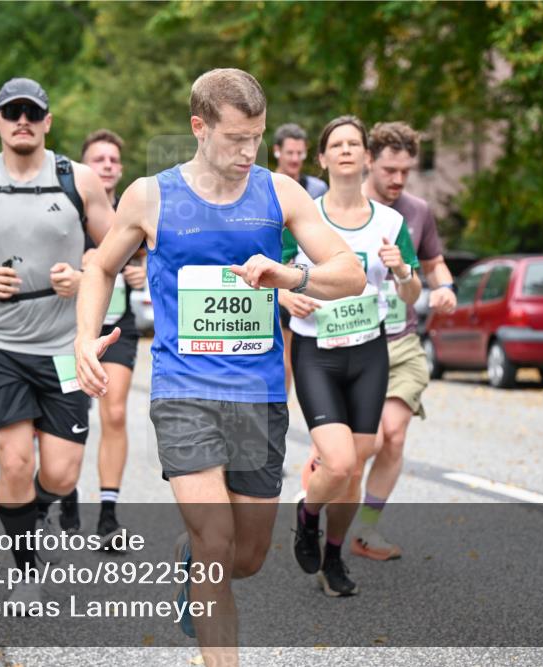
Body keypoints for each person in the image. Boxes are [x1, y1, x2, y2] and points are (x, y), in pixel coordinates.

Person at [74, 69, 364, 666]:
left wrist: (290, 275)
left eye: (256, 137)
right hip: (182, 390)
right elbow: (101, 266)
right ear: (199, 127)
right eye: (235, 138)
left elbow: (350, 273)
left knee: (247, 557)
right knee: (216, 542)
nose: (248, 151)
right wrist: (83, 337)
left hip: (258, 393)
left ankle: (191, 559)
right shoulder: (150, 196)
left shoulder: (280, 193)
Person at [0, 77, 113, 607]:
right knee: (13, 464)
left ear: (48, 121)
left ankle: (41, 505)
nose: (22, 121)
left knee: (61, 472)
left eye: (32, 112)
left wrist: (85, 277)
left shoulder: (77, 180)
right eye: (13, 112)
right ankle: (27, 567)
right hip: (2, 343)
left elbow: (121, 247)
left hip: (66, 345)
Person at [290, 115, 421, 598]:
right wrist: (285, 296)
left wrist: (403, 270)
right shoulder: (302, 217)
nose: (346, 150)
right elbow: (272, 275)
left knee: (357, 463)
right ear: (322, 158)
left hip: (369, 351)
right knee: (339, 462)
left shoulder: (390, 222)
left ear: (366, 157)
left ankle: (333, 556)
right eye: (336, 144)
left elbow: (412, 295)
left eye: (354, 144)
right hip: (316, 352)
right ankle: (307, 516)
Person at [344, 121, 458, 561]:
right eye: (389, 170)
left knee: (392, 435)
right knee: (363, 444)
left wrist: (445, 286)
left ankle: (365, 530)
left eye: (406, 171)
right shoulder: (344, 207)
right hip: (351, 339)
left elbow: (433, 263)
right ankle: (320, 490)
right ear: (369, 161)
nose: (397, 180)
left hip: (402, 338)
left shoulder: (418, 211)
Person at [65, 129, 147, 546]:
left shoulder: (135, 213)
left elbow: (161, 259)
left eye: (114, 159)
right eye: (99, 159)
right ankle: (64, 491)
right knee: (71, 416)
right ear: (83, 169)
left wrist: (143, 272)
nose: (109, 166)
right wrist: (74, 273)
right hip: (69, 331)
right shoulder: (66, 212)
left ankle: (108, 515)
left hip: (118, 328)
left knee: (114, 413)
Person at [273, 123, 329, 398]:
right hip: (275, 272)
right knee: (282, 360)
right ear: (277, 152)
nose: (295, 159)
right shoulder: (268, 185)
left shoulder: (318, 188)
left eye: (300, 153)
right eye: (290, 153)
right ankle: (280, 409)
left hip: (307, 275)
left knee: (302, 357)